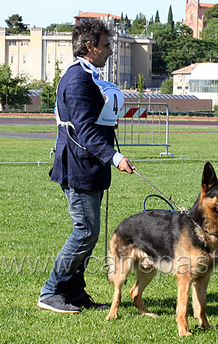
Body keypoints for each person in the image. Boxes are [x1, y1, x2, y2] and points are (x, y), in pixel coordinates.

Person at [38, 19, 135, 313]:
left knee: (89, 233)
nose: (109, 51)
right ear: (90, 46)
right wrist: (115, 157)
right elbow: (83, 131)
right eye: (106, 46)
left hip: (90, 168)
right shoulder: (77, 79)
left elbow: (94, 123)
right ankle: (51, 291)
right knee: (85, 232)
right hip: (77, 168)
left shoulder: (88, 77)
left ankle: (74, 291)